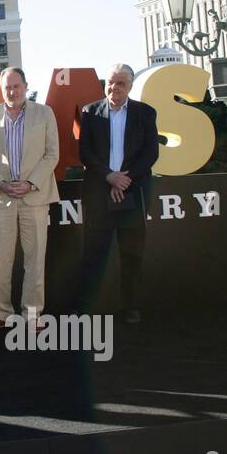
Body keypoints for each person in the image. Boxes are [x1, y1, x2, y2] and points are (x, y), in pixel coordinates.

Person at [0, 67, 60, 332]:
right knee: (1, 259)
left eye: (16, 86)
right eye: (7, 88)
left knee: (35, 259)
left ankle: (33, 316)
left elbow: (52, 154)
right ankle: (1, 314)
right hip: (2, 199)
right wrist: (1, 184)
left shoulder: (44, 113)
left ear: (25, 86)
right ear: (1, 90)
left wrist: (30, 183)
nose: (12, 92)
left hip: (35, 197)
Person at [76, 63, 160, 322]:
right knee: (93, 254)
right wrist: (109, 177)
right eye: (110, 82)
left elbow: (150, 153)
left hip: (133, 191)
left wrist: (124, 180)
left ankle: (130, 307)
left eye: (120, 83)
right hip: (99, 191)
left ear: (131, 86)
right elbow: (85, 153)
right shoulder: (90, 112)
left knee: (132, 253)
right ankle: (88, 309)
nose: (114, 88)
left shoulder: (145, 113)